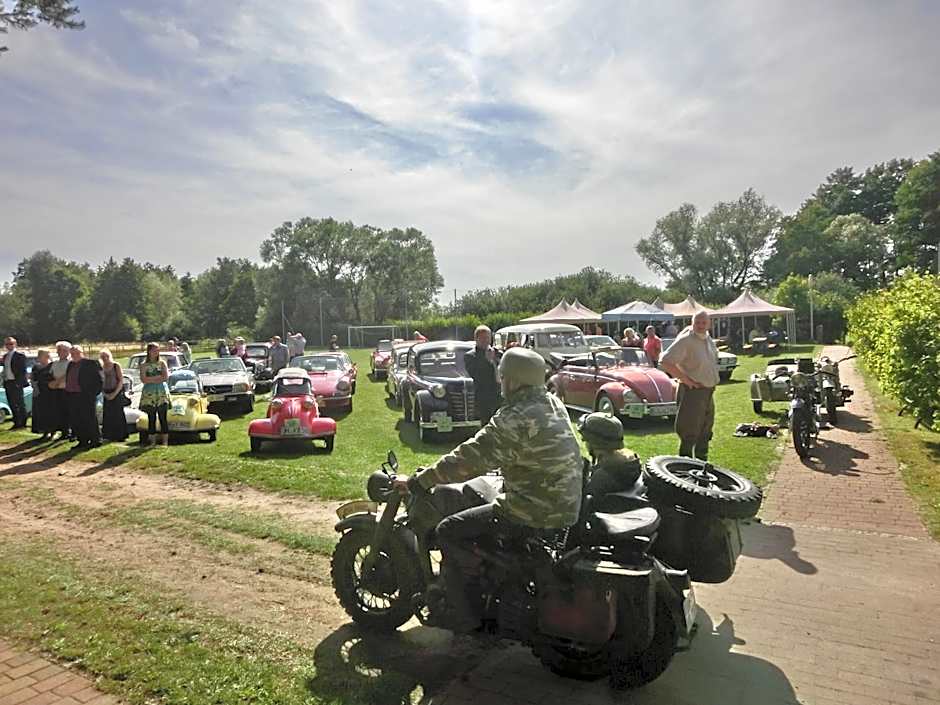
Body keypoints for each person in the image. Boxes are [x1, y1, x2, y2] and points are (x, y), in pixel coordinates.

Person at [393, 347, 583, 631]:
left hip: (532, 510)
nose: (499, 381)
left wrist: (421, 480)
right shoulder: (553, 404)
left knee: (448, 530)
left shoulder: (516, 416)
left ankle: (465, 617)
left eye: (502, 376)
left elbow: (470, 458)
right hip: (565, 505)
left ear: (513, 380)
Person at [660, 310, 720, 460]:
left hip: (708, 392)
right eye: (697, 322)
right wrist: (686, 380)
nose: (700, 325)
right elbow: (666, 361)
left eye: (703, 322)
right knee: (689, 432)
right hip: (693, 392)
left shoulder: (708, 339)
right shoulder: (686, 340)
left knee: (705, 431)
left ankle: (702, 468)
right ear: (692, 323)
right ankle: (685, 470)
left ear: (709, 324)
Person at [577, 412, 642, 496]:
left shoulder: (602, 477)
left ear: (595, 442)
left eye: (586, 438)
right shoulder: (632, 462)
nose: (583, 440)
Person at [65, 345, 102, 449]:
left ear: (82, 353)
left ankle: (95, 440)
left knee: (89, 417)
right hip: (73, 395)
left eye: (76, 353)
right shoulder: (71, 364)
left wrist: (93, 393)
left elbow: (99, 380)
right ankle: (82, 440)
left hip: (86, 395)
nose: (74, 355)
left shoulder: (90, 363)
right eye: (72, 354)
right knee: (77, 419)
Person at [463, 325, 501, 425]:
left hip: (499, 395)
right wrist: (487, 361)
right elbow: (475, 374)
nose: (486, 341)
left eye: (488, 337)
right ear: (476, 339)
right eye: (483, 338)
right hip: (483, 397)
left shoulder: (497, 353)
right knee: (487, 424)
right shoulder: (470, 356)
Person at [139, 342, 170, 447]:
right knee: (151, 418)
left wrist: (151, 379)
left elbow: (165, 377)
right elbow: (144, 379)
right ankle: (152, 442)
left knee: (163, 418)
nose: (157, 352)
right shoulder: (144, 365)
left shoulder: (162, 363)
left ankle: (165, 442)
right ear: (149, 351)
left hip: (161, 393)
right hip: (149, 394)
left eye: (158, 350)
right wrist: (156, 378)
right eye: (154, 350)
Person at [99, 349, 127, 442]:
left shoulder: (116, 365)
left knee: (118, 414)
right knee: (108, 414)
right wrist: (104, 394)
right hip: (106, 392)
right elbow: (100, 382)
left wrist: (114, 393)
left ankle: (120, 435)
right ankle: (108, 435)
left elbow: (120, 380)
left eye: (106, 356)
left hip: (116, 391)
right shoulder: (101, 367)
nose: (105, 358)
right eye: (103, 357)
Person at [2, 337, 29, 429]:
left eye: (11, 344)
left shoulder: (19, 355)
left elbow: (23, 371)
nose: (9, 346)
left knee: (20, 403)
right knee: (12, 403)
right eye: (7, 344)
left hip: (16, 382)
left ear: (15, 344)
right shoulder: (5, 356)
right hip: (8, 382)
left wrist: (19, 382)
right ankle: (16, 422)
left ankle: (23, 422)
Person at [30, 349, 56, 440]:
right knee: (41, 413)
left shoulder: (52, 366)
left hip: (50, 392)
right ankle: (44, 431)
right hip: (39, 392)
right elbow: (33, 378)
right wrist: (35, 388)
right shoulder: (36, 367)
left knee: (51, 412)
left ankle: (52, 432)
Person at [49, 341, 72, 440]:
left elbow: (69, 375)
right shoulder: (54, 364)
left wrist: (57, 381)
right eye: (59, 350)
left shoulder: (71, 363)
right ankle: (63, 431)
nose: (61, 352)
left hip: (68, 390)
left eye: (63, 350)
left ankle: (70, 432)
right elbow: (50, 375)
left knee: (68, 411)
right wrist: (52, 383)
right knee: (59, 411)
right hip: (57, 390)